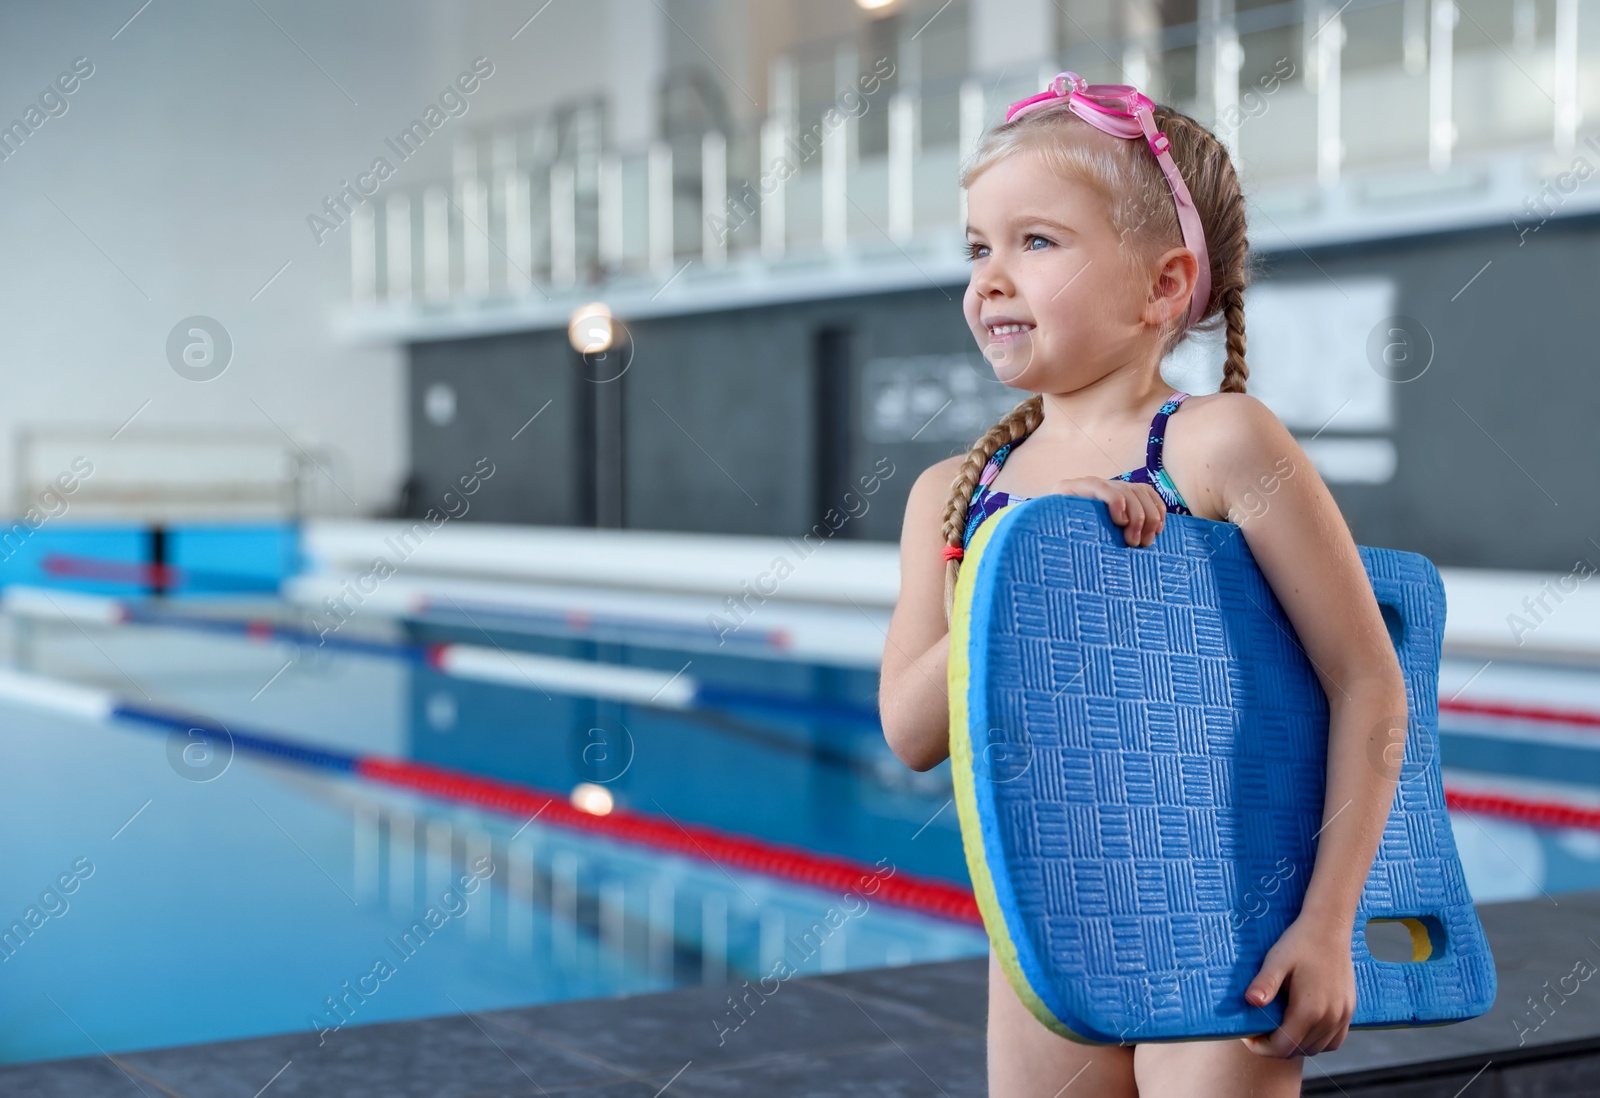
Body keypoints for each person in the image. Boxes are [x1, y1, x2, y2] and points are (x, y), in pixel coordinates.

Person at [878, 73, 1409, 1097]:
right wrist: (1025, 550)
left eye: (1035, 243)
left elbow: (1366, 684)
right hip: (1044, 936)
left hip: (1227, 920)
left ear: (1164, 286)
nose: (990, 277)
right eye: (976, 248)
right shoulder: (955, 496)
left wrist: (1328, 924)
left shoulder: (1219, 446)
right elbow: (908, 730)